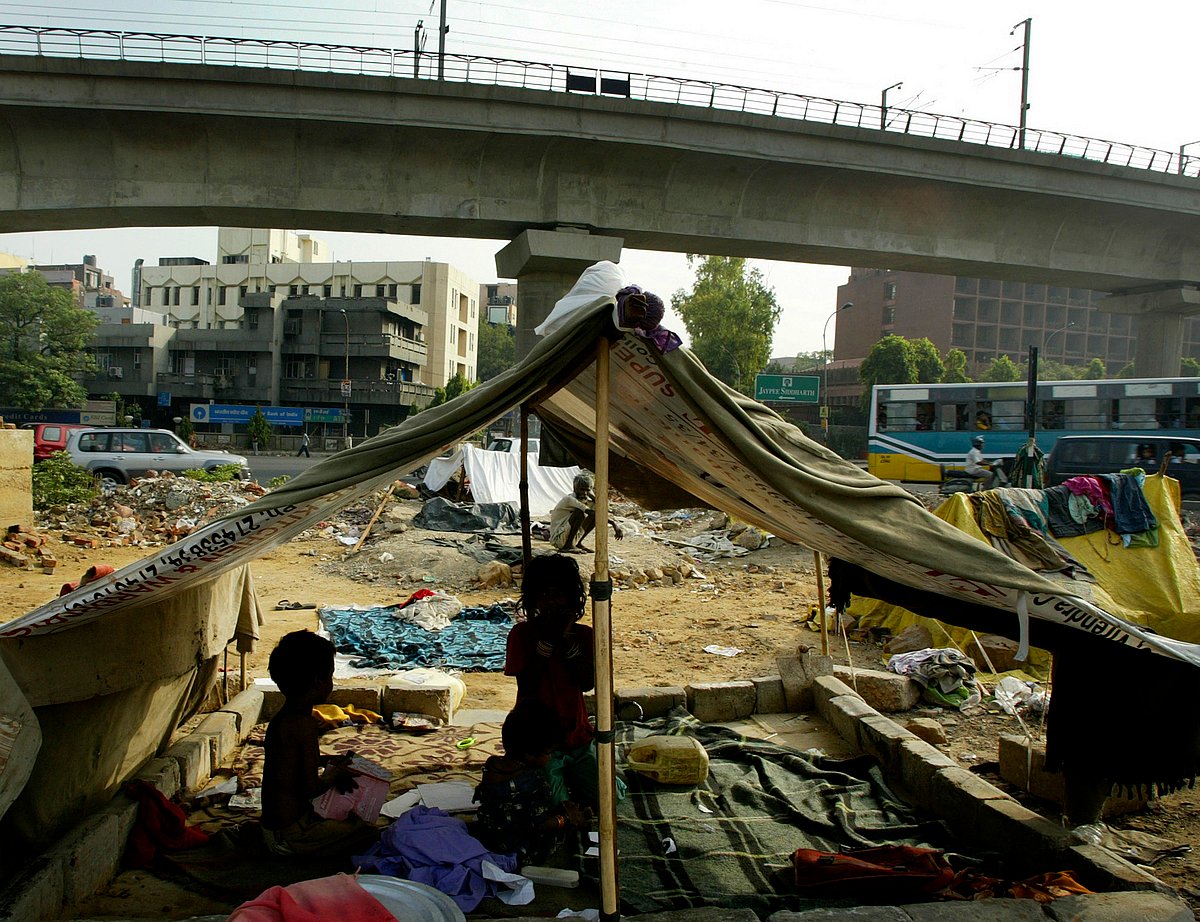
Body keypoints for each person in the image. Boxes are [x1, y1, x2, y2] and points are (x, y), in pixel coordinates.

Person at [505, 554, 624, 808]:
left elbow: (587, 683)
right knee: (552, 803)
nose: (550, 602)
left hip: (578, 735)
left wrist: (566, 640)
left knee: (612, 797)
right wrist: (547, 642)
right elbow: (527, 687)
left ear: (571, 598)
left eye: (557, 594)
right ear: (533, 598)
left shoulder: (585, 636)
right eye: (544, 595)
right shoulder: (522, 635)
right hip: (539, 743)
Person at [260, 630, 377, 858]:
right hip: (290, 835)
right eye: (331, 676)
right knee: (366, 833)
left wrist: (328, 762)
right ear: (318, 682)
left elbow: (291, 766)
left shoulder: (284, 719)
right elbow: (309, 788)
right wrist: (333, 776)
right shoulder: (301, 726)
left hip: (276, 828)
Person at [473, 701, 592, 866]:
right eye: (548, 752)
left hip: (490, 833)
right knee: (562, 829)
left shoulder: (492, 764)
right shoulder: (530, 782)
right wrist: (565, 818)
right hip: (515, 845)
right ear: (530, 754)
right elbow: (537, 826)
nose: (550, 757)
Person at [548, 473, 623, 554]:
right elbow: (589, 512)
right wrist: (613, 524)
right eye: (582, 489)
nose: (584, 493)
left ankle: (578, 543)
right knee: (580, 513)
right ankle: (568, 546)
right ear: (575, 488)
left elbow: (603, 506)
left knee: (593, 517)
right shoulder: (569, 499)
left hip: (566, 534)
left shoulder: (585, 499)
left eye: (587, 490)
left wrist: (591, 495)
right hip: (558, 538)